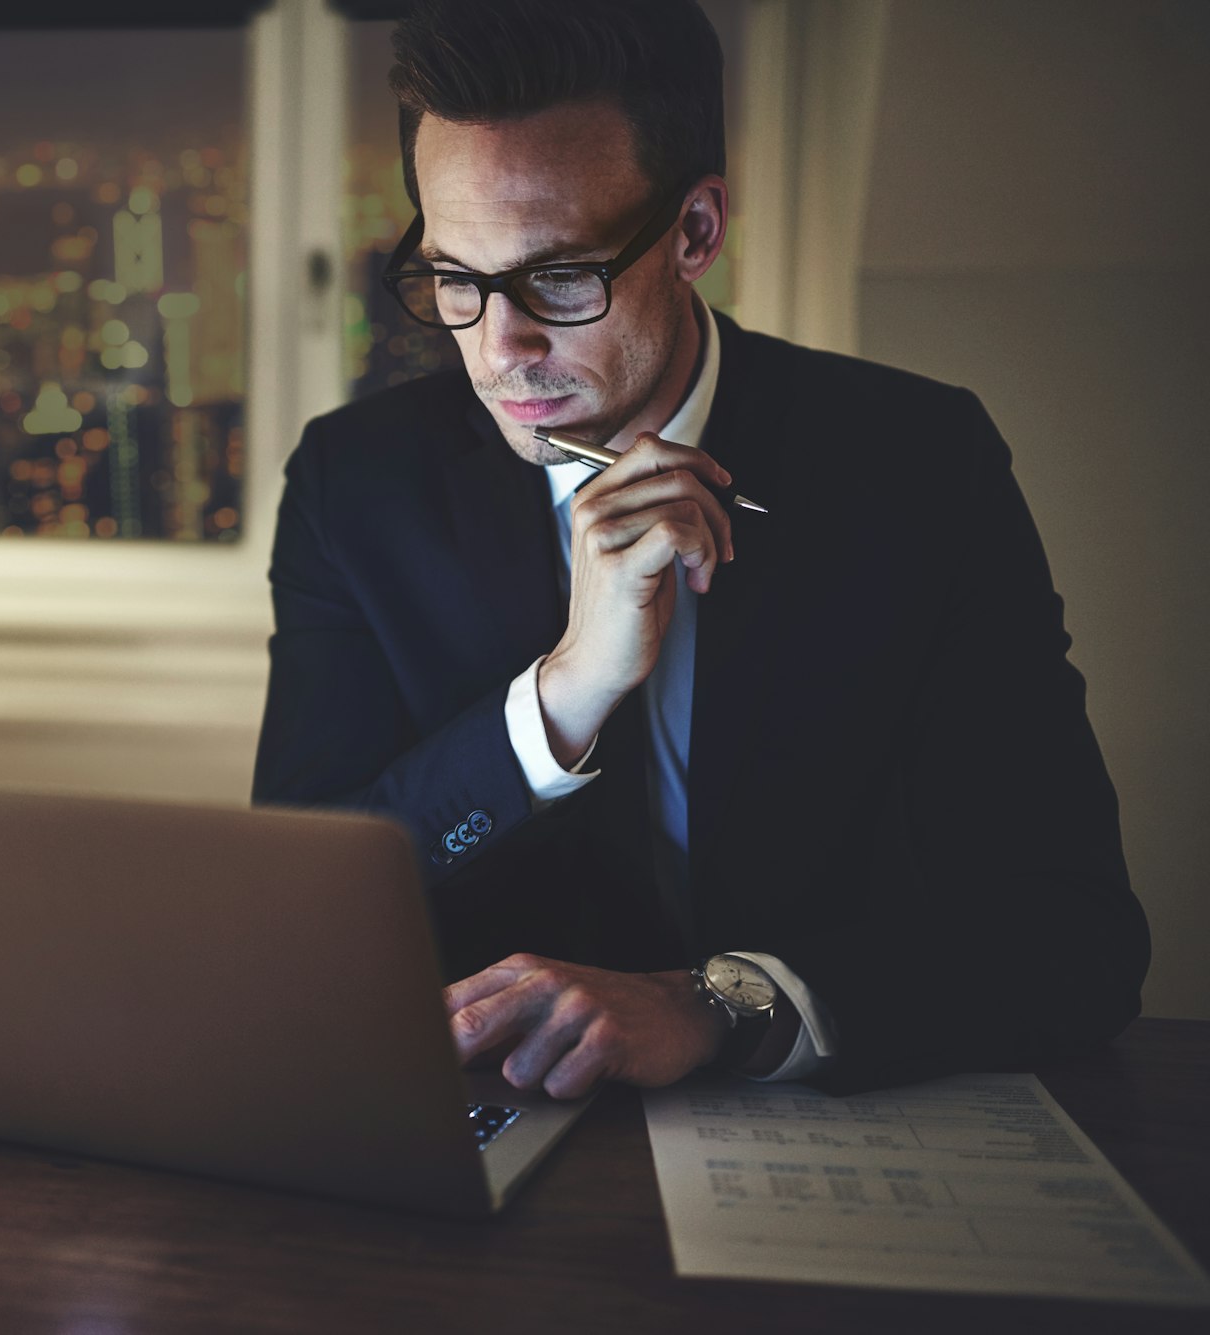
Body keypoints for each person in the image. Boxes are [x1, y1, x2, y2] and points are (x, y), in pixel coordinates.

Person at [251, 0, 1148, 1098]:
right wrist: (560, 700)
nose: (499, 349)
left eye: (557, 278)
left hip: (828, 1140)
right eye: (453, 278)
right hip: (481, 1132)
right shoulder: (356, 483)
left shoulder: (916, 464)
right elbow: (293, 909)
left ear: (694, 233)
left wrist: (720, 1004)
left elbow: (1070, 935)